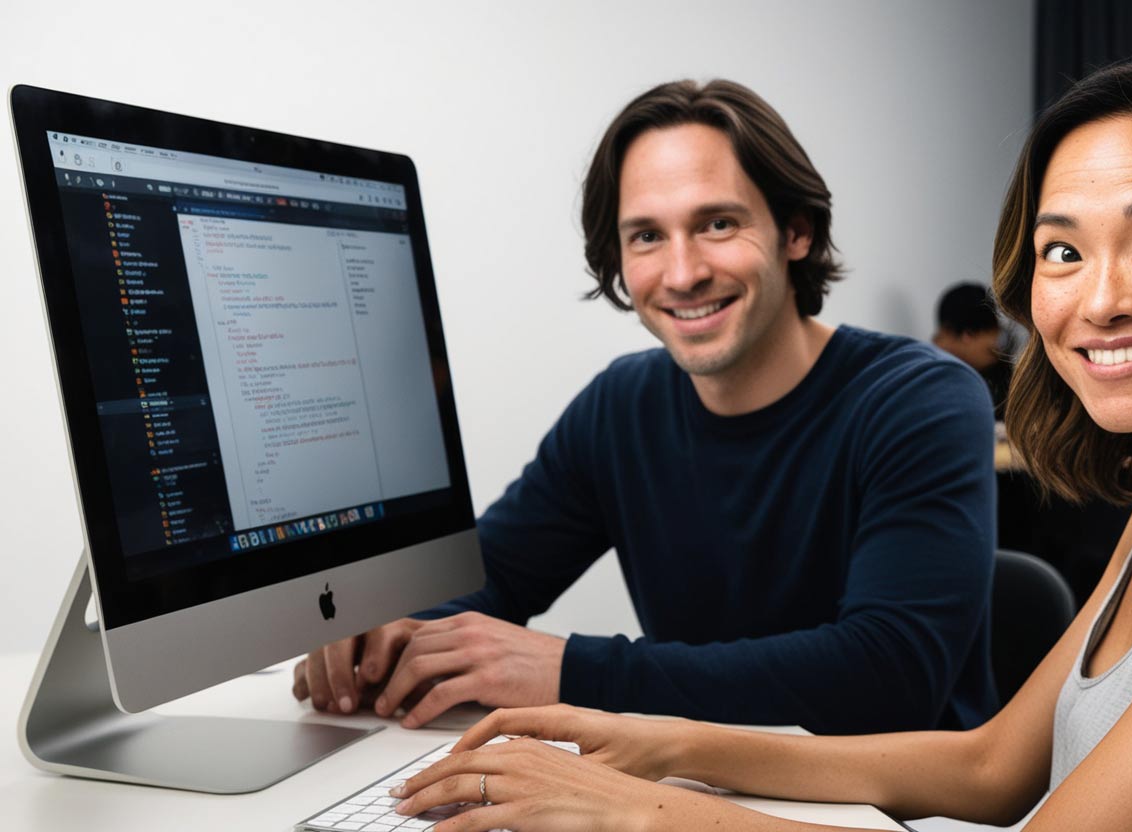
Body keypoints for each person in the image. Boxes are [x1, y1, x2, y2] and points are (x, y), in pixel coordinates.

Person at [387, 58, 1132, 832]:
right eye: (1060, 251)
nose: (1100, 298)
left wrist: (639, 810)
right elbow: (998, 764)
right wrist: (657, 742)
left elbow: (908, 692)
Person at [292, 79, 999, 736]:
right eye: (647, 236)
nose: (684, 272)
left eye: (718, 224)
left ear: (797, 232)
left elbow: (889, 674)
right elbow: (496, 577)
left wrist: (569, 670)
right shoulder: (620, 407)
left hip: (891, 807)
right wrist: (387, 630)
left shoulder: (920, 399)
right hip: (692, 788)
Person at [933, 282, 1012, 419]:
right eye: (994, 339)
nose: (998, 348)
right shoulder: (935, 383)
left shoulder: (998, 373)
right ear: (968, 335)